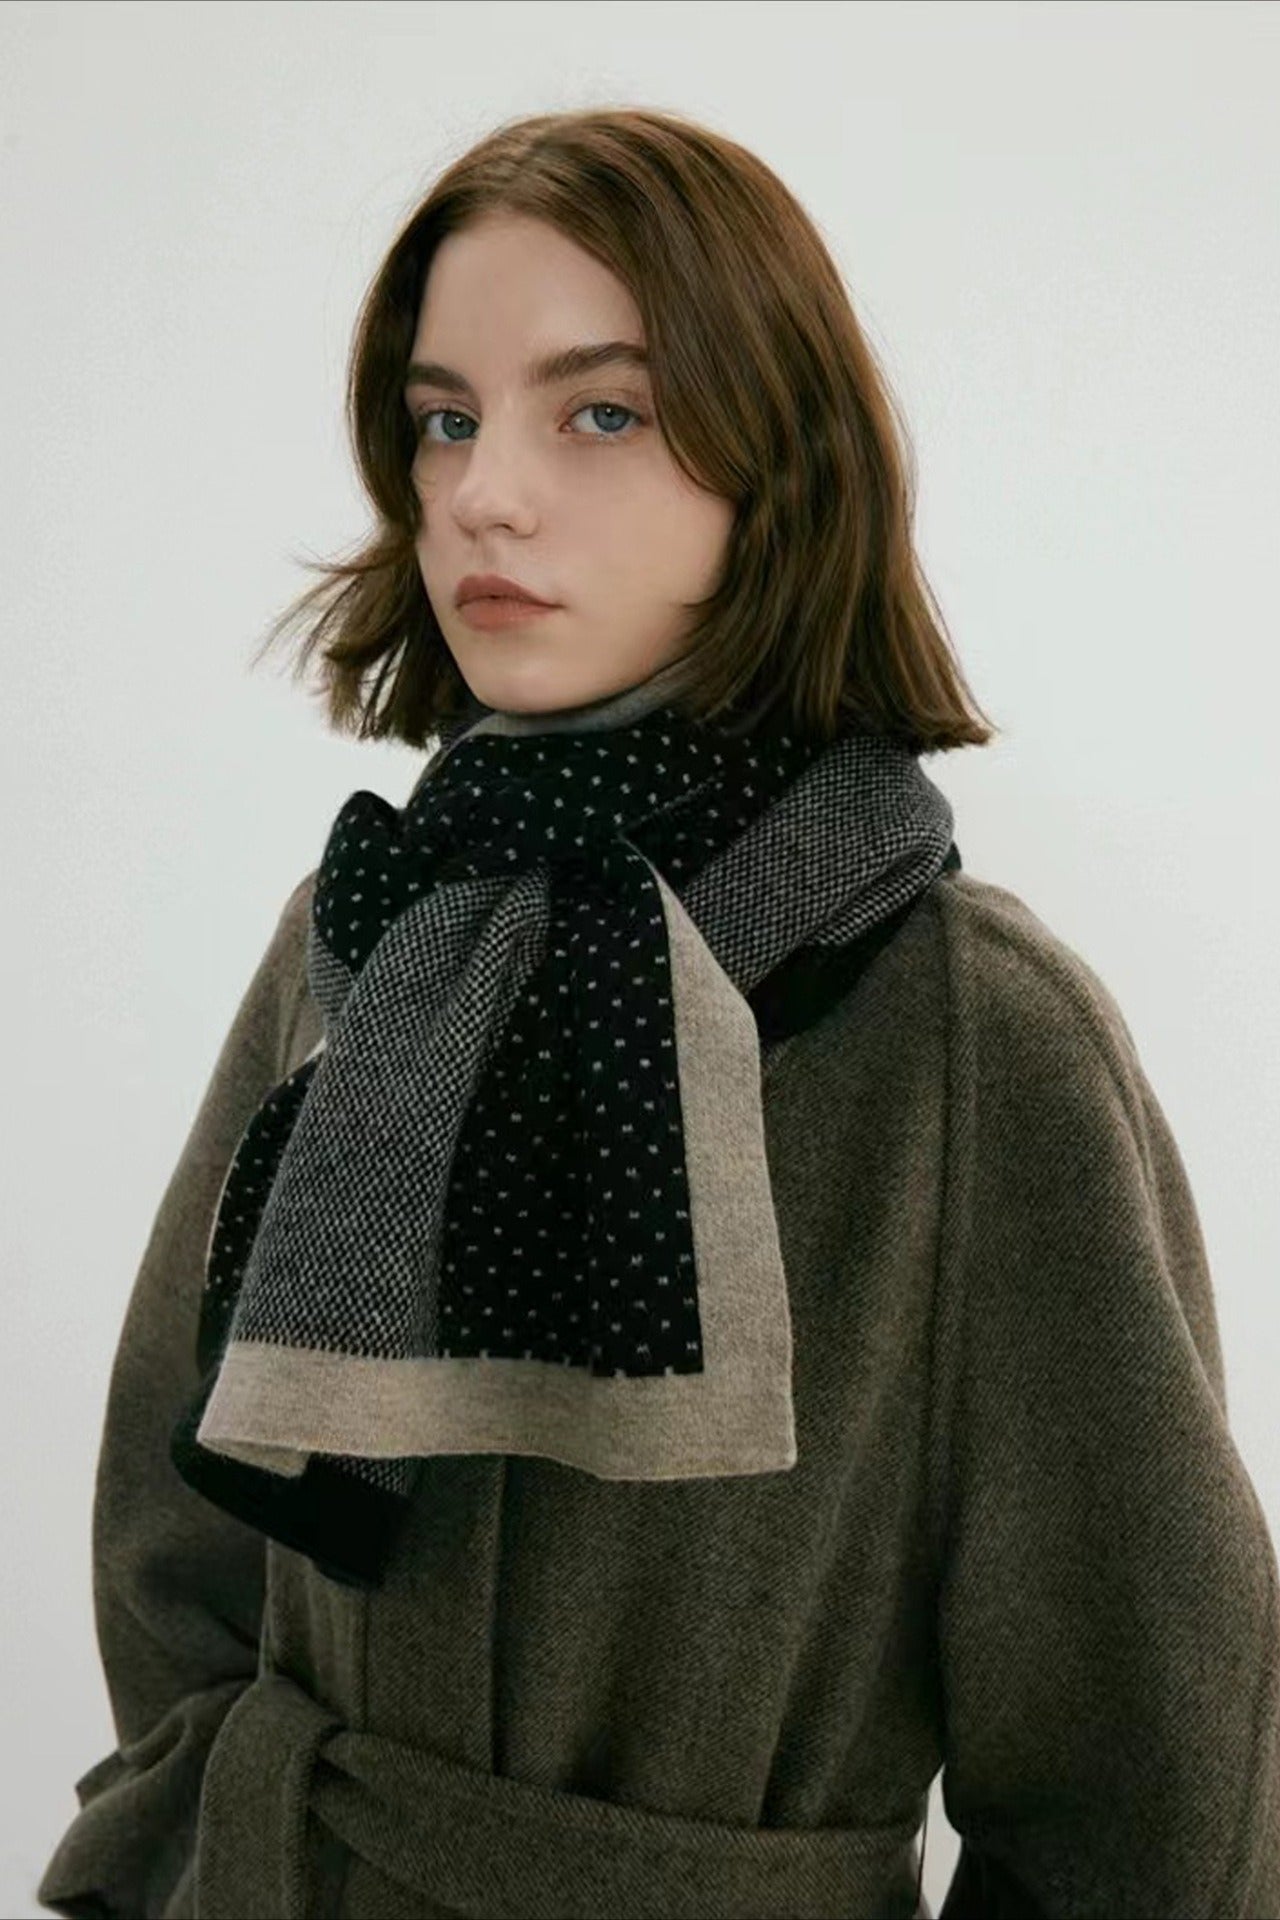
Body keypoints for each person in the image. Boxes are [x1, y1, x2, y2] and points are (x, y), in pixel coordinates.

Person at [37, 106, 1280, 1920]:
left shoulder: (968, 1037)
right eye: (445, 418)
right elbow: (178, 1548)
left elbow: (1153, 1791)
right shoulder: (365, 935)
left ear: (778, 458)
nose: (485, 492)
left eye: (599, 412)